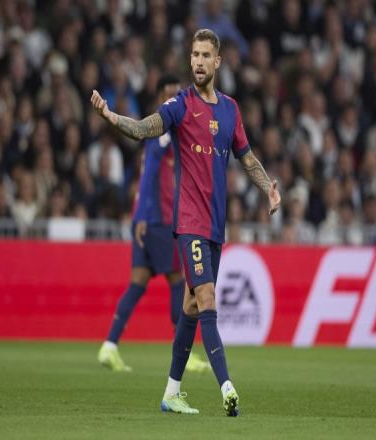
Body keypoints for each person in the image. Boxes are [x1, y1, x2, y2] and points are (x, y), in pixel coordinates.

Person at [91, 29, 281, 417]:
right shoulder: (180, 105)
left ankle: (171, 393)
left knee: (192, 305)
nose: (198, 61)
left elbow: (247, 158)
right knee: (207, 297)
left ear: (218, 62)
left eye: (205, 55)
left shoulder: (230, 109)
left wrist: (269, 189)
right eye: (194, 54)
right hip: (189, 223)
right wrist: (111, 116)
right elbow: (143, 128)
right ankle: (227, 387)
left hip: (215, 226)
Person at [97, 74, 210, 374]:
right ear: (161, 96)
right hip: (159, 219)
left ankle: (109, 345)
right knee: (179, 282)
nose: (175, 98)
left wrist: (138, 215)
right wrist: (145, 216)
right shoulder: (164, 134)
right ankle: (184, 353)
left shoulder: (165, 132)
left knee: (137, 283)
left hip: (145, 218)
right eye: (169, 93)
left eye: (177, 93)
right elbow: (148, 176)